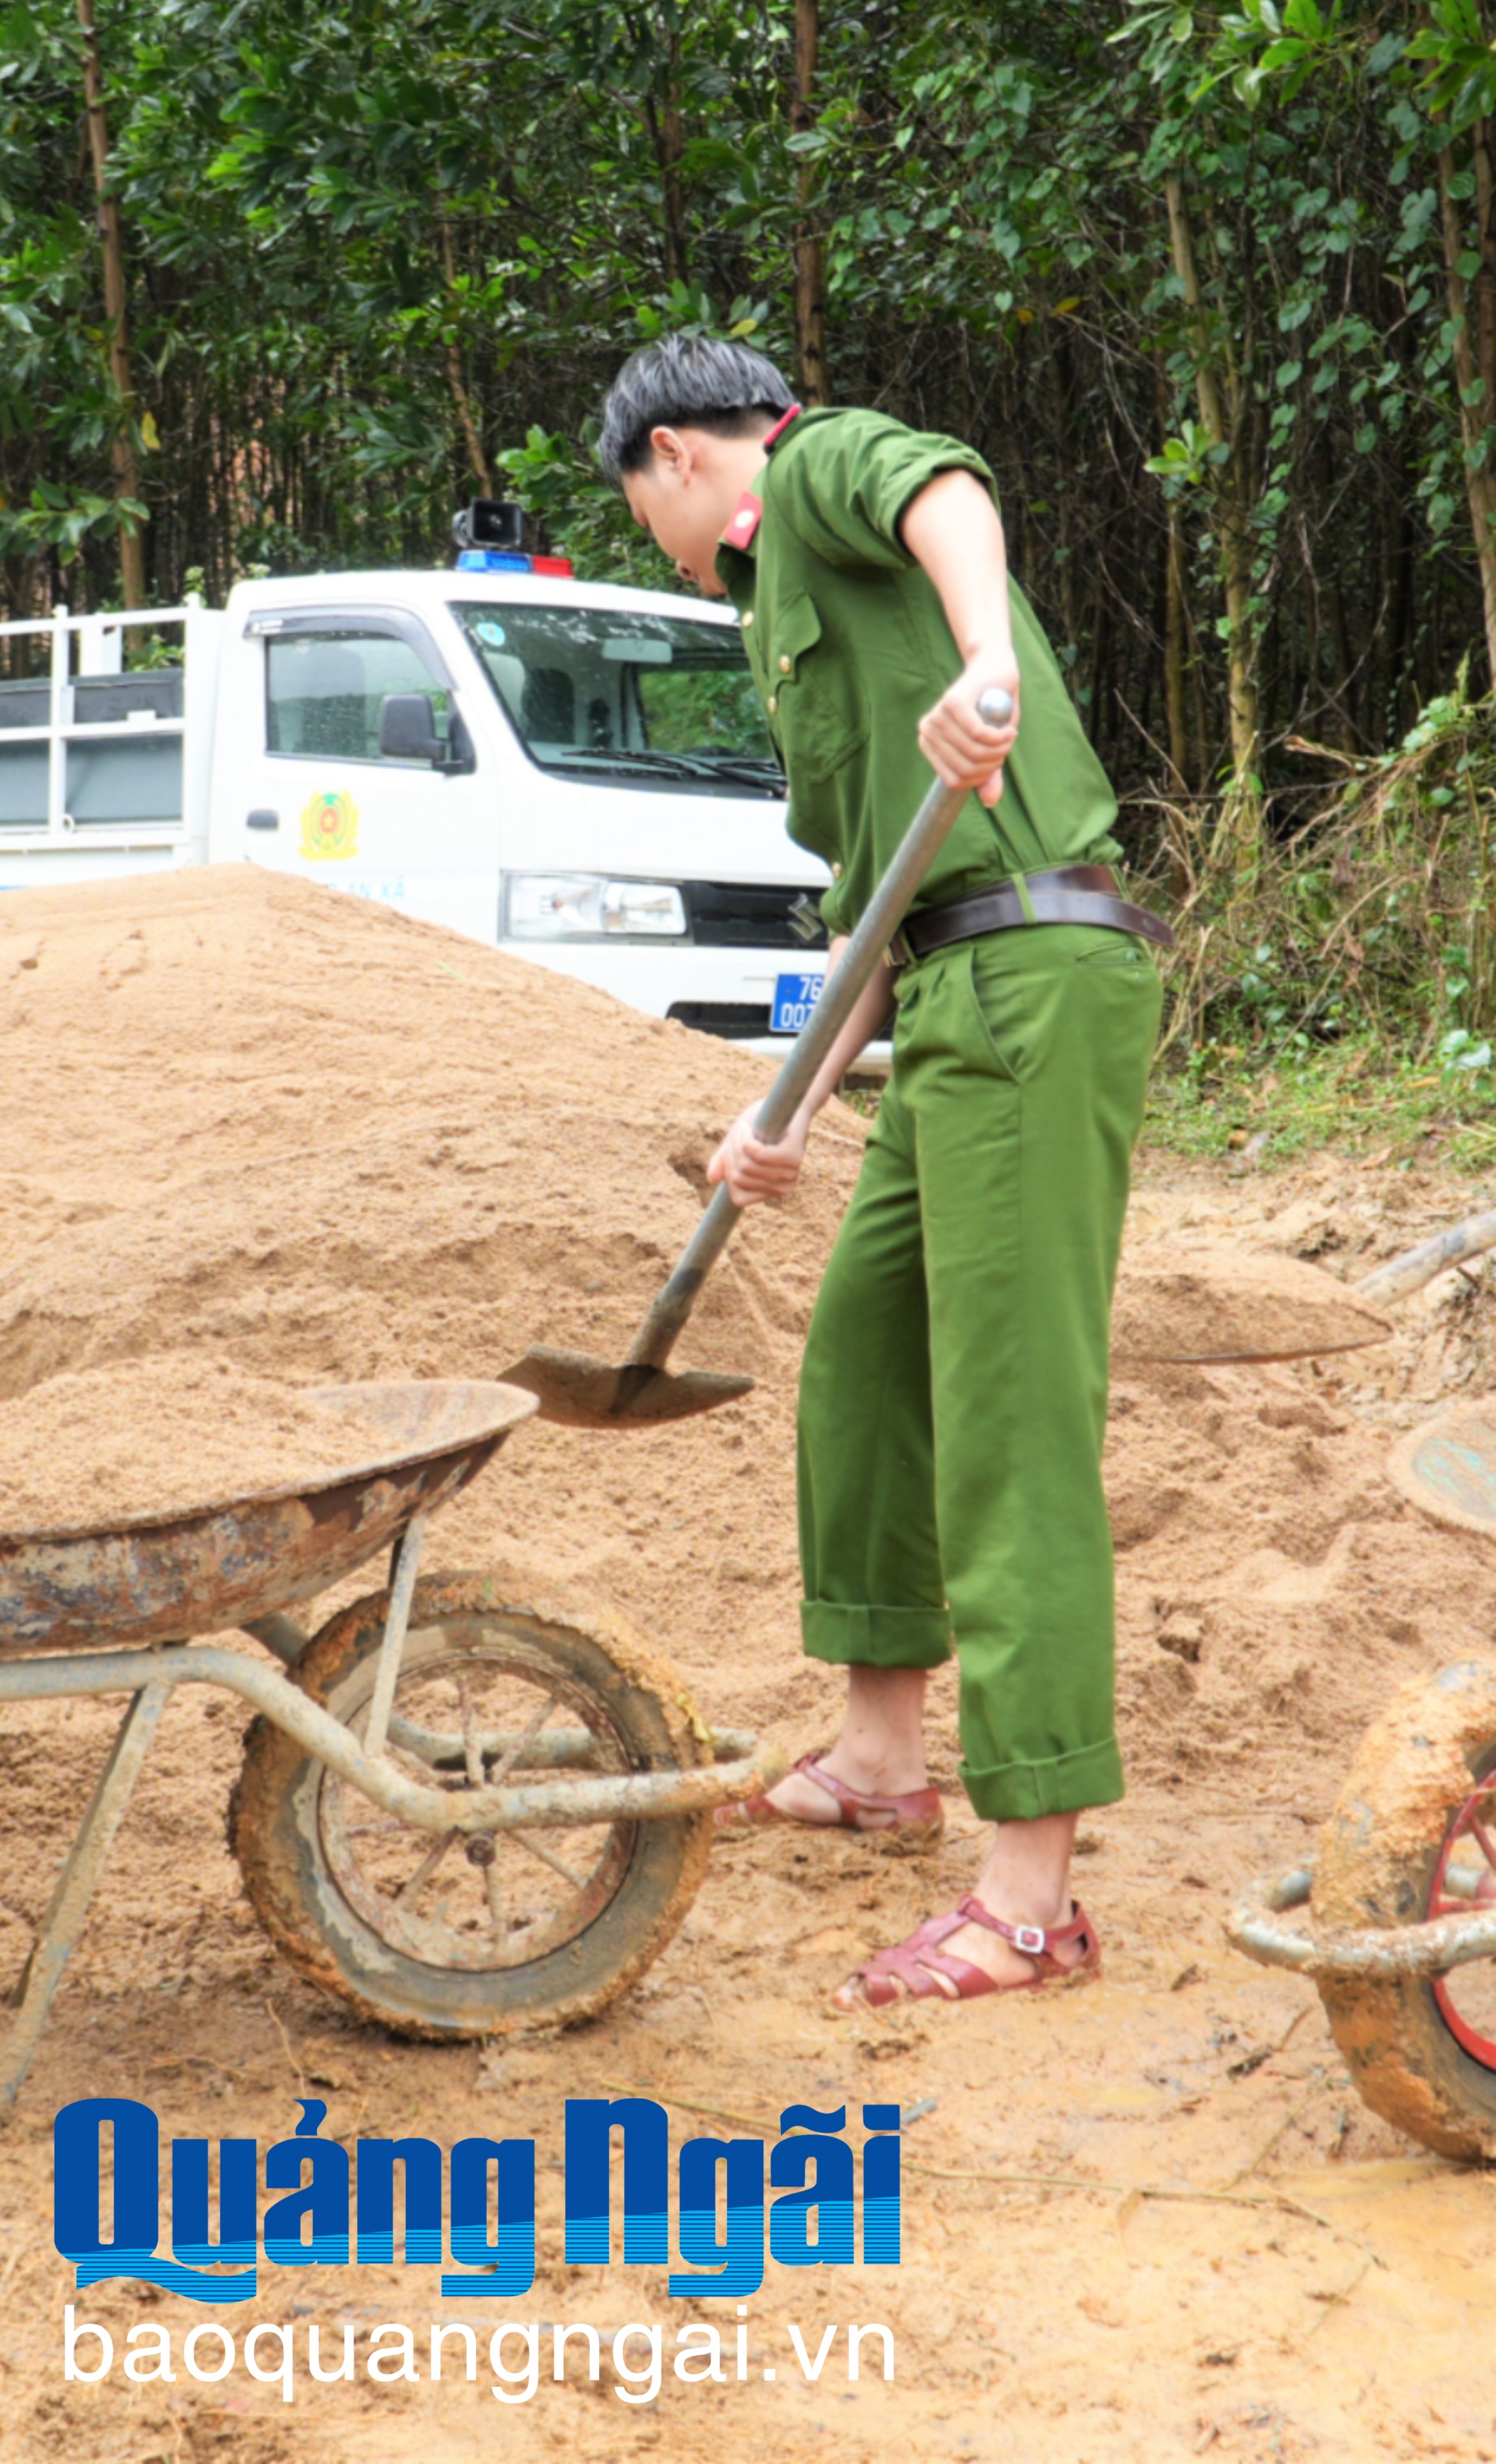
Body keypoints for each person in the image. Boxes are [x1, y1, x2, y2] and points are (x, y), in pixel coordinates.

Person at [602, 332, 1167, 2009]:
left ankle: (1029, 1886)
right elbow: (880, 897)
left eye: (642, 504)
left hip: (1035, 976)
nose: (659, 537)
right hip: (942, 987)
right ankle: (874, 1754)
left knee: (1005, 1411)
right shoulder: (790, 618)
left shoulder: (815, 466)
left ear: (678, 459)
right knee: (863, 1359)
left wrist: (987, 666)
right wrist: (786, 1104)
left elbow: (945, 486)